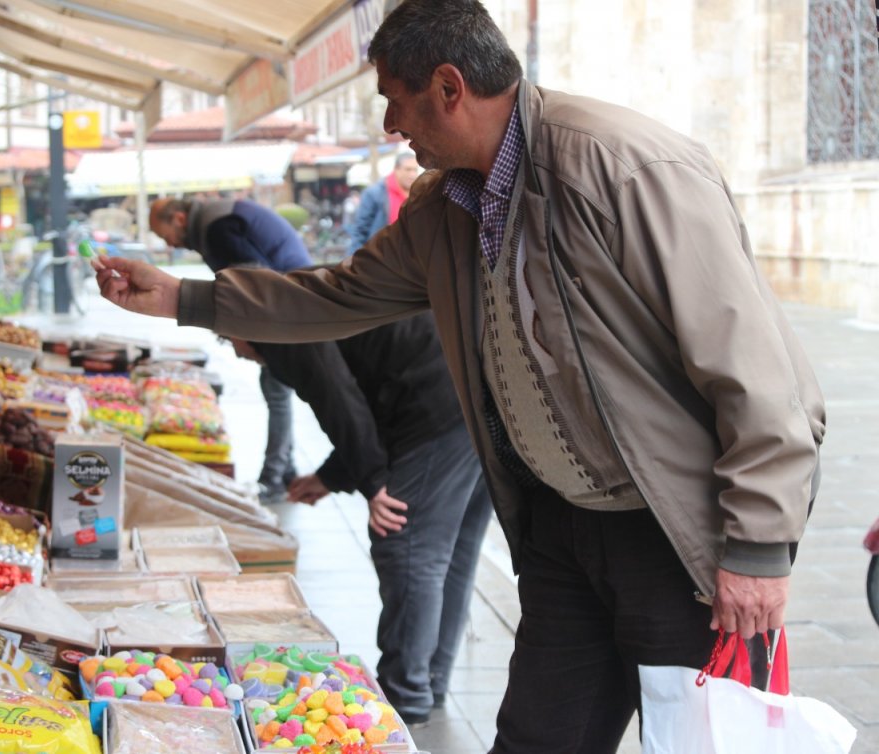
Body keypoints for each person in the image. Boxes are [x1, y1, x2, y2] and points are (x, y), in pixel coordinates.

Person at [94, 1, 826, 750]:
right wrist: (187, 298)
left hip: (674, 534)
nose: (390, 125)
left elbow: (754, 367)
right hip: (561, 531)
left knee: (706, 738)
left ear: (448, 87)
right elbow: (338, 294)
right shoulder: (444, 209)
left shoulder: (623, 167)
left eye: (392, 99)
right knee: (538, 737)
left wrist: (759, 546)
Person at [230, 311, 492, 725]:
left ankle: (406, 695)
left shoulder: (285, 329)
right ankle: (428, 681)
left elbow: (340, 398)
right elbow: (367, 397)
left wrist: (372, 483)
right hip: (476, 392)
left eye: (229, 339)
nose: (236, 352)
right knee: (451, 552)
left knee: (407, 546)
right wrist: (332, 477)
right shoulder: (296, 305)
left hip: (439, 405)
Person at [148, 197, 311, 503]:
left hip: (288, 302)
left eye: (163, 234)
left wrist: (242, 330)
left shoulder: (215, 227)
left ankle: (274, 478)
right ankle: (285, 470)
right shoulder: (212, 222)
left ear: (180, 219)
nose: (168, 244)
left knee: (276, 390)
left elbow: (251, 280)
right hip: (289, 297)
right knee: (277, 389)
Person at [348, 151, 421, 252]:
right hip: (381, 257)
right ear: (397, 169)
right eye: (408, 169)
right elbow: (360, 230)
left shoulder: (419, 194)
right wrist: (355, 262)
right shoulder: (375, 193)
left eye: (415, 170)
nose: (412, 174)